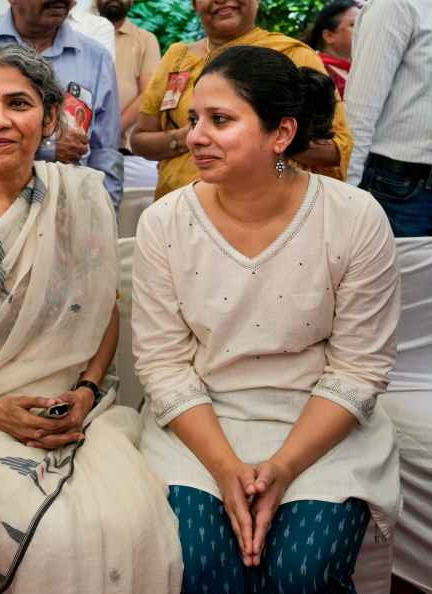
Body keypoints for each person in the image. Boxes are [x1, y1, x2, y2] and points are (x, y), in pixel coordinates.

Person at [0, 44, 182, 594]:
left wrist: (89, 392)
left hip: (75, 409)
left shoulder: (79, 196)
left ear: (50, 118)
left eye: (17, 103)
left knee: (136, 518)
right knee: (52, 533)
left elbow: (102, 309)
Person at [132, 45, 401, 594]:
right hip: (200, 425)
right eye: (192, 121)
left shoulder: (353, 217)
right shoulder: (165, 222)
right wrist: (226, 467)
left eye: (220, 120)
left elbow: (358, 369)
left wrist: (280, 469)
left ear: (281, 134)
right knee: (206, 569)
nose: (195, 137)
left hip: (321, 424)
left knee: (304, 571)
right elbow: (162, 365)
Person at [130, 0, 353, 199]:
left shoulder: (292, 55)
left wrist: (260, 138)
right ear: (195, 4)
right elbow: (140, 140)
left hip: (265, 208)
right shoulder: (177, 57)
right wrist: (188, 135)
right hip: (179, 207)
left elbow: (337, 149)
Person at [0, 0, 123, 206]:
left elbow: (105, 151)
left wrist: (106, 211)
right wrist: (47, 148)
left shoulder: (96, 59)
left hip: (67, 211)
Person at [346, 0, 432, 236]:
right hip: (400, 188)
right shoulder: (396, 4)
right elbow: (361, 107)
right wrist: (348, 195)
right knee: (389, 273)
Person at [94, 0, 160, 149]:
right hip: (79, 145)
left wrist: (112, 131)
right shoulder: (81, 34)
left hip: (128, 148)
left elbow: (148, 93)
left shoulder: (146, 40)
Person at [303, 0, 358, 98]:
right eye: (353, 25)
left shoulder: (358, 64)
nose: (362, 28)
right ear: (329, 36)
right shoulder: (316, 70)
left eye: (362, 23)